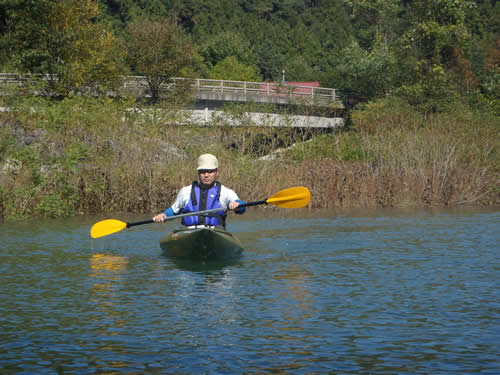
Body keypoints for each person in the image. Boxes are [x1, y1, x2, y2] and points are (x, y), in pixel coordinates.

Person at [152, 153, 246, 228]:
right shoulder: (185, 191)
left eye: (210, 171)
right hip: (189, 233)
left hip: (215, 233)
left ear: (217, 172)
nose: (206, 175)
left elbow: (241, 207)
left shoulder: (226, 192)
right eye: (202, 171)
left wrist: (237, 205)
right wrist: (163, 215)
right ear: (198, 172)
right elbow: (173, 211)